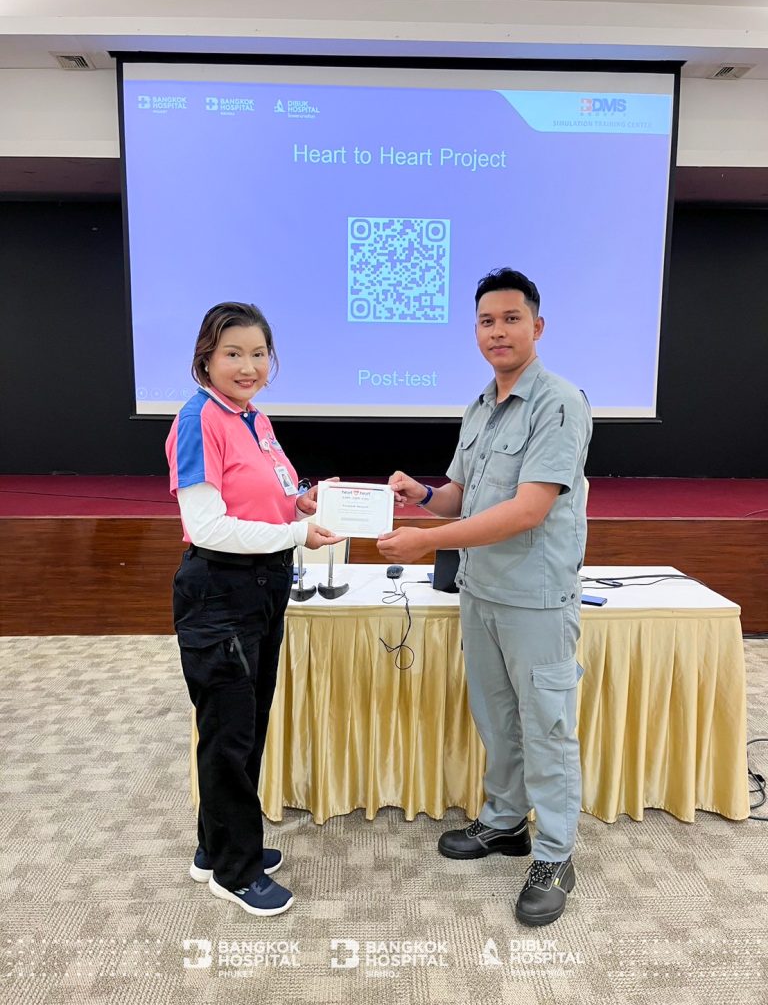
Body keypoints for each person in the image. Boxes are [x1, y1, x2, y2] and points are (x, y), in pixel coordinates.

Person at [377, 269, 592, 926]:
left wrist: (425, 540)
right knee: (497, 721)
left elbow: (528, 510)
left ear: (537, 326)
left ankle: (556, 854)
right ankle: (504, 823)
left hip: (536, 598)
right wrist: (422, 496)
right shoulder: (479, 406)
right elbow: (462, 496)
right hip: (482, 592)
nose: (498, 331)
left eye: (511, 319)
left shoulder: (559, 403)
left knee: (546, 727)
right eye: (486, 321)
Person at [166, 301, 341, 917]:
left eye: (259, 353)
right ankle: (235, 872)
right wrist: (296, 533)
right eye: (233, 353)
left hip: (262, 584)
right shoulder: (199, 420)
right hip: (220, 588)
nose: (248, 366)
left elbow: (271, 498)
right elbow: (208, 526)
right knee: (229, 732)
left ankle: (216, 847)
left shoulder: (253, 419)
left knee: (244, 724)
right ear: (206, 359)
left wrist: (303, 503)